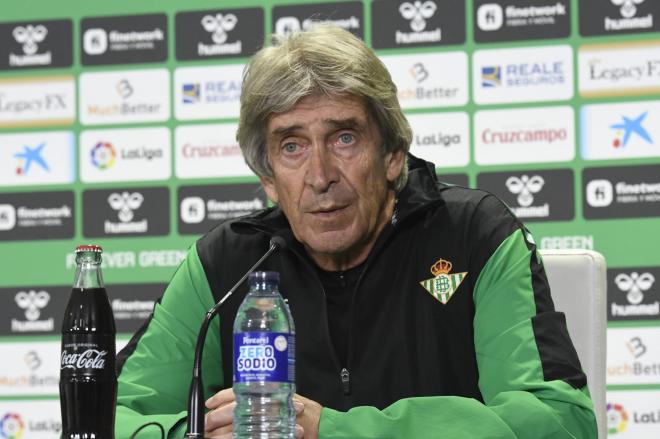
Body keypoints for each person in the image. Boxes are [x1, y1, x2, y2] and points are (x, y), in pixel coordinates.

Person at [115, 25, 597, 439]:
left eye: (344, 138)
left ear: (391, 155)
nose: (320, 175)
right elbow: (109, 415)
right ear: (267, 178)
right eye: (292, 146)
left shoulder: (473, 235)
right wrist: (199, 432)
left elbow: (557, 421)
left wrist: (328, 428)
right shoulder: (229, 263)